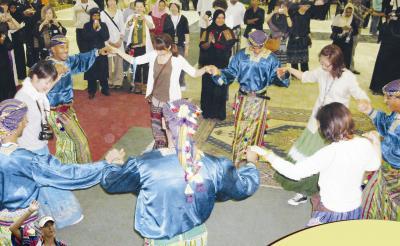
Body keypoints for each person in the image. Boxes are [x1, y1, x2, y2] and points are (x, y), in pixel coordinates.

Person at [100, 99, 260, 245]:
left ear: (164, 122)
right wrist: (251, 163)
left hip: (161, 241)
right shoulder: (217, 166)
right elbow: (243, 188)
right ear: (194, 124)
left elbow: (111, 183)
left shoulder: (143, 165)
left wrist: (113, 163)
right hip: (196, 237)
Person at [0, 99, 123, 244]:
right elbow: (66, 173)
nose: (26, 122)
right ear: (17, 124)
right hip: (23, 224)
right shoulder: (25, 160)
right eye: (24, 119)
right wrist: (105, 165)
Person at [253, 102, 381, 226]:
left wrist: (269, 155)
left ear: (326, 129)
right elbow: (374, 165)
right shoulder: (363, 144)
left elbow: (295, 172)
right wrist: (376, 142)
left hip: (332, 211)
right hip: (354, 208)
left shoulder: (329, 153)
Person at [275, 44, 370, 206]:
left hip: (334, 126)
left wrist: (364, 101)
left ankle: (322, 191)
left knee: (326, 159)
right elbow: (305, 77)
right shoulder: (321, 72)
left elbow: (359, 93)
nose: (323, 67)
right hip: (316, 121)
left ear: (337, 63)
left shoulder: (348, 77)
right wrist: (289, 69)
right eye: (321, 63)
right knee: (306, 155)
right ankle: (303, 191)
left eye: (327, 64)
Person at [112, 34, 212, 149]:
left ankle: (171, 150)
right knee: (157, 127)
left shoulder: (177, 59)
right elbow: (135, 60)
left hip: (171, 102)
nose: (158, 52)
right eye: (156, 49)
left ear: (169, 47)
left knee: (170, 129)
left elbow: (194, 73)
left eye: (161, 49)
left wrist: (205, 69)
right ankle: (160, 148)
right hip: (155, 99)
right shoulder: (153, 55)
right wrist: (117, 51)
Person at [208, 30, 290, 167]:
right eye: (254, 46)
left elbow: (276, 78)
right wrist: (218, 73)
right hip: (243, 98)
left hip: (260, 99)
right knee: (240, 129)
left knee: (256, 131)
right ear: (249, 43)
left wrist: (282, 76)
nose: (256, 49)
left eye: (260, 46)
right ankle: (237, 161)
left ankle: (251, 162)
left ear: (264, 44)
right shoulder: (241, 55)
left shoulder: (271, 58)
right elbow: (230, 73)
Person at [46, 35, 110, 164]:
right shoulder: (46, 66)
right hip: (58, 115)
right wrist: (51, 70)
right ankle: (84, 171)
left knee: (65, 140)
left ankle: (62, 168)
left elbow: (80, 59)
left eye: (67, 46)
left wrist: (98, 52)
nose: (66, 50)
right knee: (80, 141)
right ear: (52, 49)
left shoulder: (67, 62)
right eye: (62, 47)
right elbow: (34, 75)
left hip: (67, 110)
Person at [359, 79, 400, 221]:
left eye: (389, 97)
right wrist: (370, 111)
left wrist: (376, 144)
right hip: (387, 168)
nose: (385, 100)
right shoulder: (396, 115)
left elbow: (395, 152)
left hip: (395, 174)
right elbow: (384, 123)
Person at [14, 60, 63, 155]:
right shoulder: (22, 98)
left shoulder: (35, 92)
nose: (48, 86)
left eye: (50, 82)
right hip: (30, 148)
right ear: (35, 78)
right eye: (47, 82)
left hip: (41, 143)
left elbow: (43, 93)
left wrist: (56, 79)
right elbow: (11, 127)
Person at [199, 9, 236, 121]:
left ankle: (219, 113)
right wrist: (209, 42)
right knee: (208, 88)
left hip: (221, 65)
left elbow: (228, 45)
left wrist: (216, 43)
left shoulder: (227, 31)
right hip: (209, 65)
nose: (220, 20)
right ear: (214, 18)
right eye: (218, 18)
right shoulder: (208, 31)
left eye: (222, 18)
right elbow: (201, 46)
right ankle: (207, 112)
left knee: (220, 88)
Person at [125, 0, 154, 94]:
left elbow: (151, 27)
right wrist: (131, 20)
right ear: (134, 7)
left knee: (146, 67)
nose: (139, 8)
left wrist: (145, 19)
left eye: (141, 7)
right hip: (135, 47)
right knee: (136, 66)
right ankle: (137, 86)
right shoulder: (131, 16)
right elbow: (127, 27)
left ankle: (145, 86)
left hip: (145, 47)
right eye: (137, 7)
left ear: (144, 8)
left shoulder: (148, 17)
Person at [369, 10, 400, 95]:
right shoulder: (390, 20)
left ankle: (392, 89)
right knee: (384, 66)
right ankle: (378, 88)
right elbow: (383, 30)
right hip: (387, 46)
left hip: (395, 48)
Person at [83, 8, 110, 99]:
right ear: (91, 16)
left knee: (103, 70)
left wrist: (99, 29)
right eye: (94, 15)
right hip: (91, 51)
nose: (96, 17)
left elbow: (106, 37)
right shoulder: (86, 25)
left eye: (98, 15)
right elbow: (86, 38)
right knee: (91, 71)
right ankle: (91, 91)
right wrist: (94, 30)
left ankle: (105, 88)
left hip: (102, 50)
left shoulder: (103, 25)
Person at [163, 0, 190, 89]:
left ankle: (181, 82)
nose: (173, 8)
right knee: (169, 65)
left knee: (181, 64)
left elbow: (187, 34)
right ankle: (170, 82)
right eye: (171, 6)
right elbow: (164, 33)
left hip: (180, 46)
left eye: (175, 6)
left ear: (178, 8)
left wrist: (187, 48)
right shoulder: (167, 18)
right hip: (169, 46)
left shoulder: (183, 18)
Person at [101, 0, 125, 90]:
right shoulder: (103, 13)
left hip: (119, 41)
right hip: (107, 41)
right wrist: (109, 42)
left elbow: (122, 27)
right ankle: (109, 80)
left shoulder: (119, 12)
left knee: (119, 62)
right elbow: (102, 29)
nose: (112, 2)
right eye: (109, 0)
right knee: (108, 63)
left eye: (113, 0)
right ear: (106, 2)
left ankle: (118, 81)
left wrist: (120, 40)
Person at [331, 3, 359, 69]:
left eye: (350, 12)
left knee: (346, 58)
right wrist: (342, 28)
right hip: (338, 40)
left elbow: (356, 32)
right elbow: (333, 28)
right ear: (344, 10)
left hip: (347, 42)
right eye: (347, 11)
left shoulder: (353, 19)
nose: (348, 14)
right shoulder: (339, 17)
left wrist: (351, 30)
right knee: (336, 56)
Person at [286, 0, 313, 72]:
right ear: (301, 5)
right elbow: (289, 25)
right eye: (306, 6)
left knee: (304, 59)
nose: (307, 7)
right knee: (294, 59)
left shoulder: (308, 14)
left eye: (309, 6)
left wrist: (310, 39)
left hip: (304, 39)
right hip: (293, 39)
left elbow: (308, 28)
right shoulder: (293, 13)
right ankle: (295, 74)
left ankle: (305, 73)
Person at [266, 1, 292, 66]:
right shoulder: (273, 16)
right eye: (277, 6)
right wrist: (273, 12)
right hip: (273, 40)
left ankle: (282, 74)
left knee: (282, 60)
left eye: (280, 7)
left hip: (282, 41)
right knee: (271, 59)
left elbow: (290, 25)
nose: (279, 8)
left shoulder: (286, 16)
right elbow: (266, 20)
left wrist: (286, 14)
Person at [0, 12, 17, 102]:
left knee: (6, 79)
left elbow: (9, 45)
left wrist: (10, 19)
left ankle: (7, 101)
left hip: (4, 57)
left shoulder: (2, 25)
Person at [21, 0, 43, 67]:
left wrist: (33, 9)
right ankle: (32, 67)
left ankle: (38, 66)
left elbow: (40, 13)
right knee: (30, 51)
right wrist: (24, 13)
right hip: (28, 31)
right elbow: (21, 15)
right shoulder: (24, 3)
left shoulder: (38, 3)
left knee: (36, 50)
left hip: (36, 31)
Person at [8, 0, 27, 80]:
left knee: (21, 57)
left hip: (19, 39)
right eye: (11, 8)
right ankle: (16, 75)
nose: (13, 9)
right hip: (11, 39)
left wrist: (17, 28)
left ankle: (22, 75)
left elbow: (23, 24)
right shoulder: (8, 16)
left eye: (14, 8)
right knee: (14, 57)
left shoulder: (19, 14)